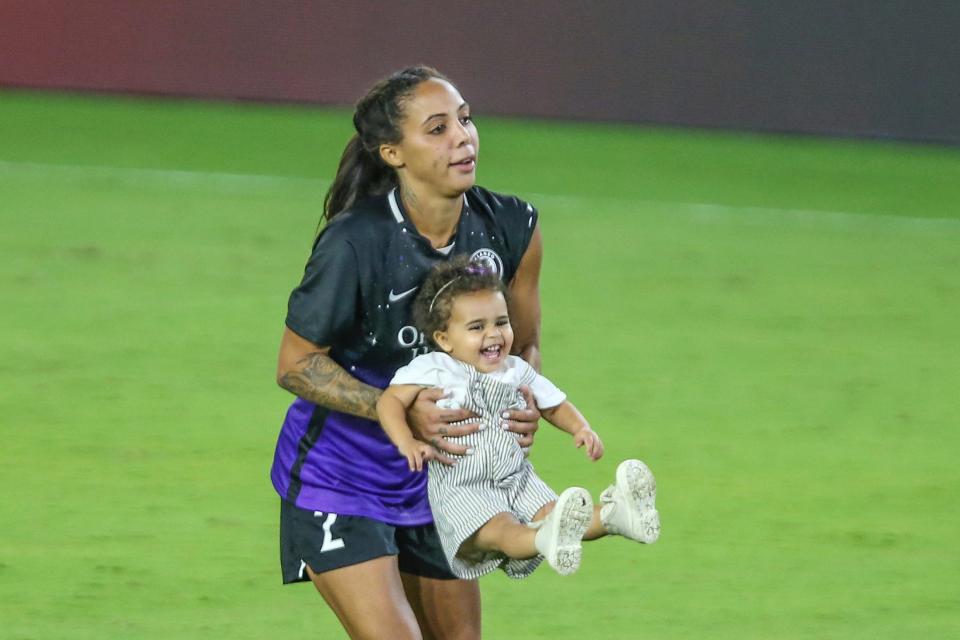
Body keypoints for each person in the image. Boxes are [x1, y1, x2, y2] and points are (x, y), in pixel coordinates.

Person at [271, 66, 545, 640]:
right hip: (342, 476)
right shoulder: (357, 241)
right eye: (438, 129)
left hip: (443, 478)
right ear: (393, 152)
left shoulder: (512, 227)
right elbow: (295, 363)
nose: (463, 138)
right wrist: (398, 409)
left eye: (466, 121)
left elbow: (522, 346)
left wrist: (524, 399)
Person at [377, 256, 661, 580]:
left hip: (517, 476)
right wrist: (406, 441)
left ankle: (619, 515)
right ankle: (545, 538)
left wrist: (580, 427)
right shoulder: (433, 368)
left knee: (561, 515)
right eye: (476, 327)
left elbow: (553, 403)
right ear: (444, 339)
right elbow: (389, 402)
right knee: (502, 528)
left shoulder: (515, 369)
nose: (493, 334)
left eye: (501, 322)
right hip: (463, 487)